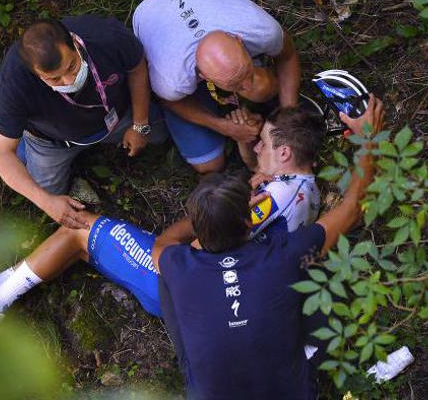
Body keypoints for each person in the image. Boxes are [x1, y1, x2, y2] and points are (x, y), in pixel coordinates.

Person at [0, 106, 325, 330]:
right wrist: (247, 149)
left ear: (286, 152)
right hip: (224, 302)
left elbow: (204, 244)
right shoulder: (305, 190)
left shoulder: (268, 201)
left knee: (83, 227)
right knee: (92, 247)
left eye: (264, 139)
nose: (257, 143)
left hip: (187, 291)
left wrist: (175, 236)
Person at [150, 95, 383, 399]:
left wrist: (205, 217)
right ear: (250, 221)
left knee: (164, 279)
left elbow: (162, 245)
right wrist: (370, 139)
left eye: (262, 142)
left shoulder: (181, 265)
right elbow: (353, 209)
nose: (258, 147)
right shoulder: (286, 255)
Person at [0, 16, 168, 229]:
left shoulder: (105, 35)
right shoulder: (15, 81)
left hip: (115, 116)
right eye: (54, 79)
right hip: (52, 141)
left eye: (72, 66)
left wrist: (140, 123)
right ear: (35, 74)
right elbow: (1, 155)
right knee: (43, 191)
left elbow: (136, 67)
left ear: (74, 42)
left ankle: (9, 124)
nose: (69, 81)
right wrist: (47, 202)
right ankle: (12, 130)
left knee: (159, 132)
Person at [132, 0, 302, 173]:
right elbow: (169, 101)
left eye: (245, 72)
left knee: (261, 88)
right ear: (201, 76)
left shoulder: (260, 29)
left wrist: (288, 118)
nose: (246, 84)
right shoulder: (173, 80)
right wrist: (224, 126)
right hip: (149, 14)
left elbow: (287, 56)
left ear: (238, 40)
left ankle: (237, 88)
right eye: (235, 83)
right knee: (209, 164)